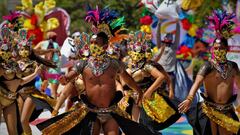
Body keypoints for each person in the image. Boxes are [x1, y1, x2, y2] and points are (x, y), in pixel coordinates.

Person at [178, 9, 240, 135]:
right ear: (212, 49)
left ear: (226, 49)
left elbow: (239, 86)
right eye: (215, 48)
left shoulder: (233, 67)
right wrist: (189, 99)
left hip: (227, 110)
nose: (218, 51)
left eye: (221, 48)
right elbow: (196, 83)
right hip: (209, 111)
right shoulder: (207, 66)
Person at [0, 26, 41, 135]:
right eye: (3, 50)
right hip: (1, 98)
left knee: (14, 130)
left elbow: (21, 81)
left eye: (9, 49)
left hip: (12, 100)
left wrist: (35, 73)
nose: (7, 52)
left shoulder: (14, 64)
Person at [34, 32, 61, 98]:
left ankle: (42, 106)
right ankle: (54, 107)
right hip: (55, 69)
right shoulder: (57, 45)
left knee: (42, 90)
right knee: (53, 92)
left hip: (44, 69)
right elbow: (59, 55)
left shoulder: (42, 43)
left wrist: (40, 55)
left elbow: (34, 50)